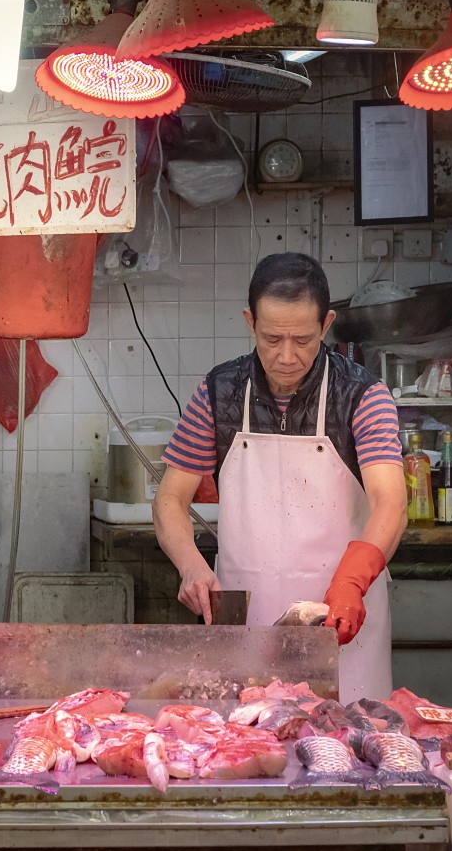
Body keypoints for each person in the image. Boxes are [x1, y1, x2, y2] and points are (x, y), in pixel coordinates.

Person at [153, 251, 408, 703]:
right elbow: (171, 499)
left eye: (303, 340)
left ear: (326, 324)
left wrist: (352, 582)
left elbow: (391, 503)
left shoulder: (363, 396)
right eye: (271, 339)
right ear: (250, 322)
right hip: (247, 624)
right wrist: (191, 566)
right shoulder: (218, 392)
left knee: (347, 753)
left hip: (341, 621)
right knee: (247, 753)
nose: (286, 357)